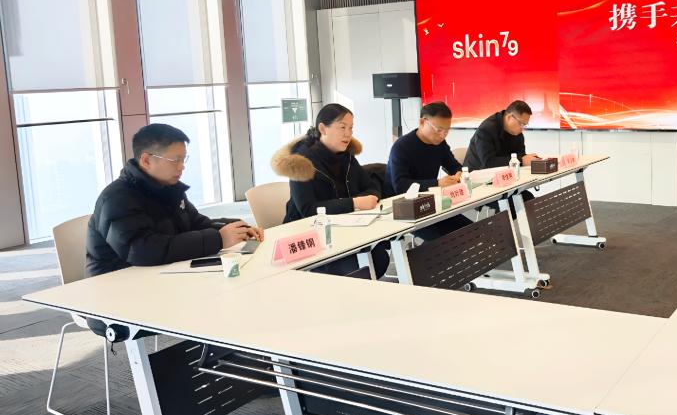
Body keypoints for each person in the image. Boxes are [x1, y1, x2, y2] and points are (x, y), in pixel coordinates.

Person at [86, 123, 262, 279]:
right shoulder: (117, 199)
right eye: (175, 160)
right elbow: (143, 250)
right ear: (146, 160)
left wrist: (237, 229)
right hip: (116, 288)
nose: (182, 167)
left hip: (161, 277)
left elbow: (195, 223)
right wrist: (218, 239)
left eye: (183, 159)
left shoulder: (168, 186)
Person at [272, 103, 388, 277]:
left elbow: (370, 185)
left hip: (343, 230)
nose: (348, 134)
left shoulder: (346, 156)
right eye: (342, 127)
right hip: (310, 237)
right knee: (360, 265)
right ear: (322, 129)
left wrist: (366, 198)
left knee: (378, 257)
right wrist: (354, 203)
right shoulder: (300, 162)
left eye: (351, 128)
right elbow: (308, 210)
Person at [384, 101, 472, 240]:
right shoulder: (402, 147)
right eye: (438, 130)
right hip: (404, 209)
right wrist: (437, 183)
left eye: (447, 131)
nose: (442, 135)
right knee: (446, 241)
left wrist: (459, 174)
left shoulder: (439, 144)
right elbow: (401, 186)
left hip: (431, 203)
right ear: (422, 122)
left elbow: (454, 166)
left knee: (472, 231)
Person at [463, 100, 539, 171]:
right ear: (509, 117)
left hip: (504, 174)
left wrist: (529, 160)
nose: (522, 128)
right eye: (521, 124)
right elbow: (488, 162)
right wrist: (521, 160)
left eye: (525, 125)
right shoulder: (485, 130)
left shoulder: (517, 132)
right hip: (476, 175)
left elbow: (520, 156)